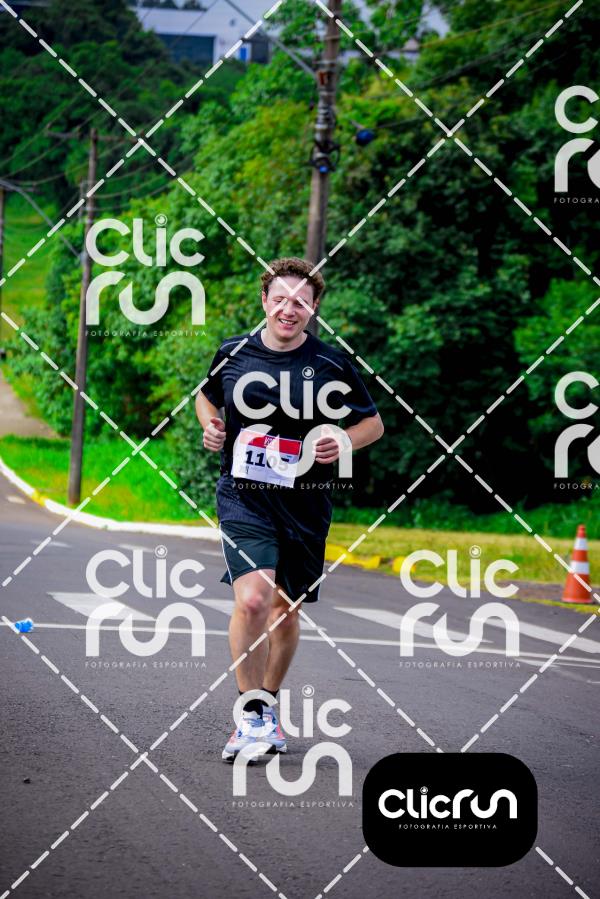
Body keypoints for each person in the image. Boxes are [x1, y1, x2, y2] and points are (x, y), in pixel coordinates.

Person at [196, 257, 384, 760]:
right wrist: (211, 426)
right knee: (253, 600)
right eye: (279, 299)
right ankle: (251, 715)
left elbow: (373, 424)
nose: (288, 309)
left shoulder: (331, 364)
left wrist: (343, 441)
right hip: (243, 496)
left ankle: (268, 705)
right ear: (264, 301)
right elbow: (206, 397)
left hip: (306, 502)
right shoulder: (233, 352)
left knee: (284, 610)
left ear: (314, 308)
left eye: (300, 301)